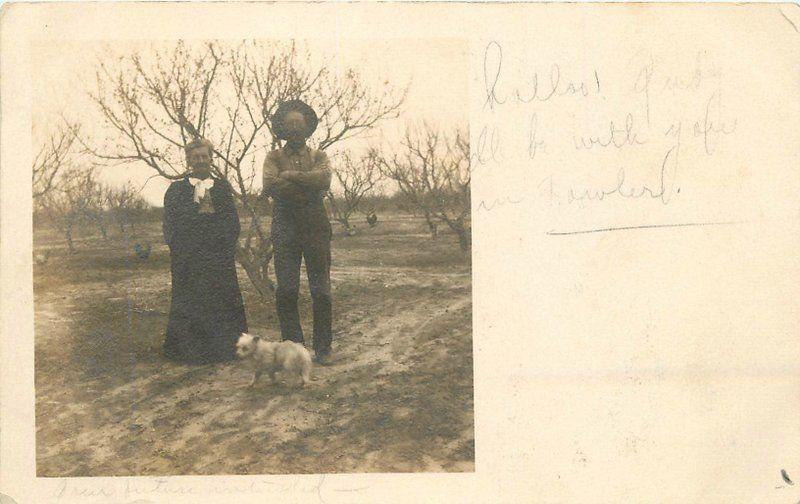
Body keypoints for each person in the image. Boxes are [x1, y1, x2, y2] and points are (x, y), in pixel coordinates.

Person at [162, 138, 248, 364]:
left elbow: (232, 222)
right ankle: (189, 352)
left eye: (204, 156)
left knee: (221, 299)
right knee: (190, 300)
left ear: (211, 159)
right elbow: (170, 224)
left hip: (218, 256)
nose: (200, 161)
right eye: (195, 157)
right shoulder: (177, 189)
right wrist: (180, 250)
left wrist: (224, 247)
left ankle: (223, 350)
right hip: (188, 258)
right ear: (189, 160)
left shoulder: (221, 187)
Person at [262, 100, 334, 365]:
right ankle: (294, 350)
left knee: (321, 290)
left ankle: (323, 349)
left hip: (315, 224)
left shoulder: (319, 156)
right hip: (285, 225)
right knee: (287, 289)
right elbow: (270, 185)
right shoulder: (273, 157)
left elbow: (324, 179)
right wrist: (307, 183)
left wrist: (289, 175)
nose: (294, 129)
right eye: (289, 124)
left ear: (307, 128)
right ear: (282, 128)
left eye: (299, 124)